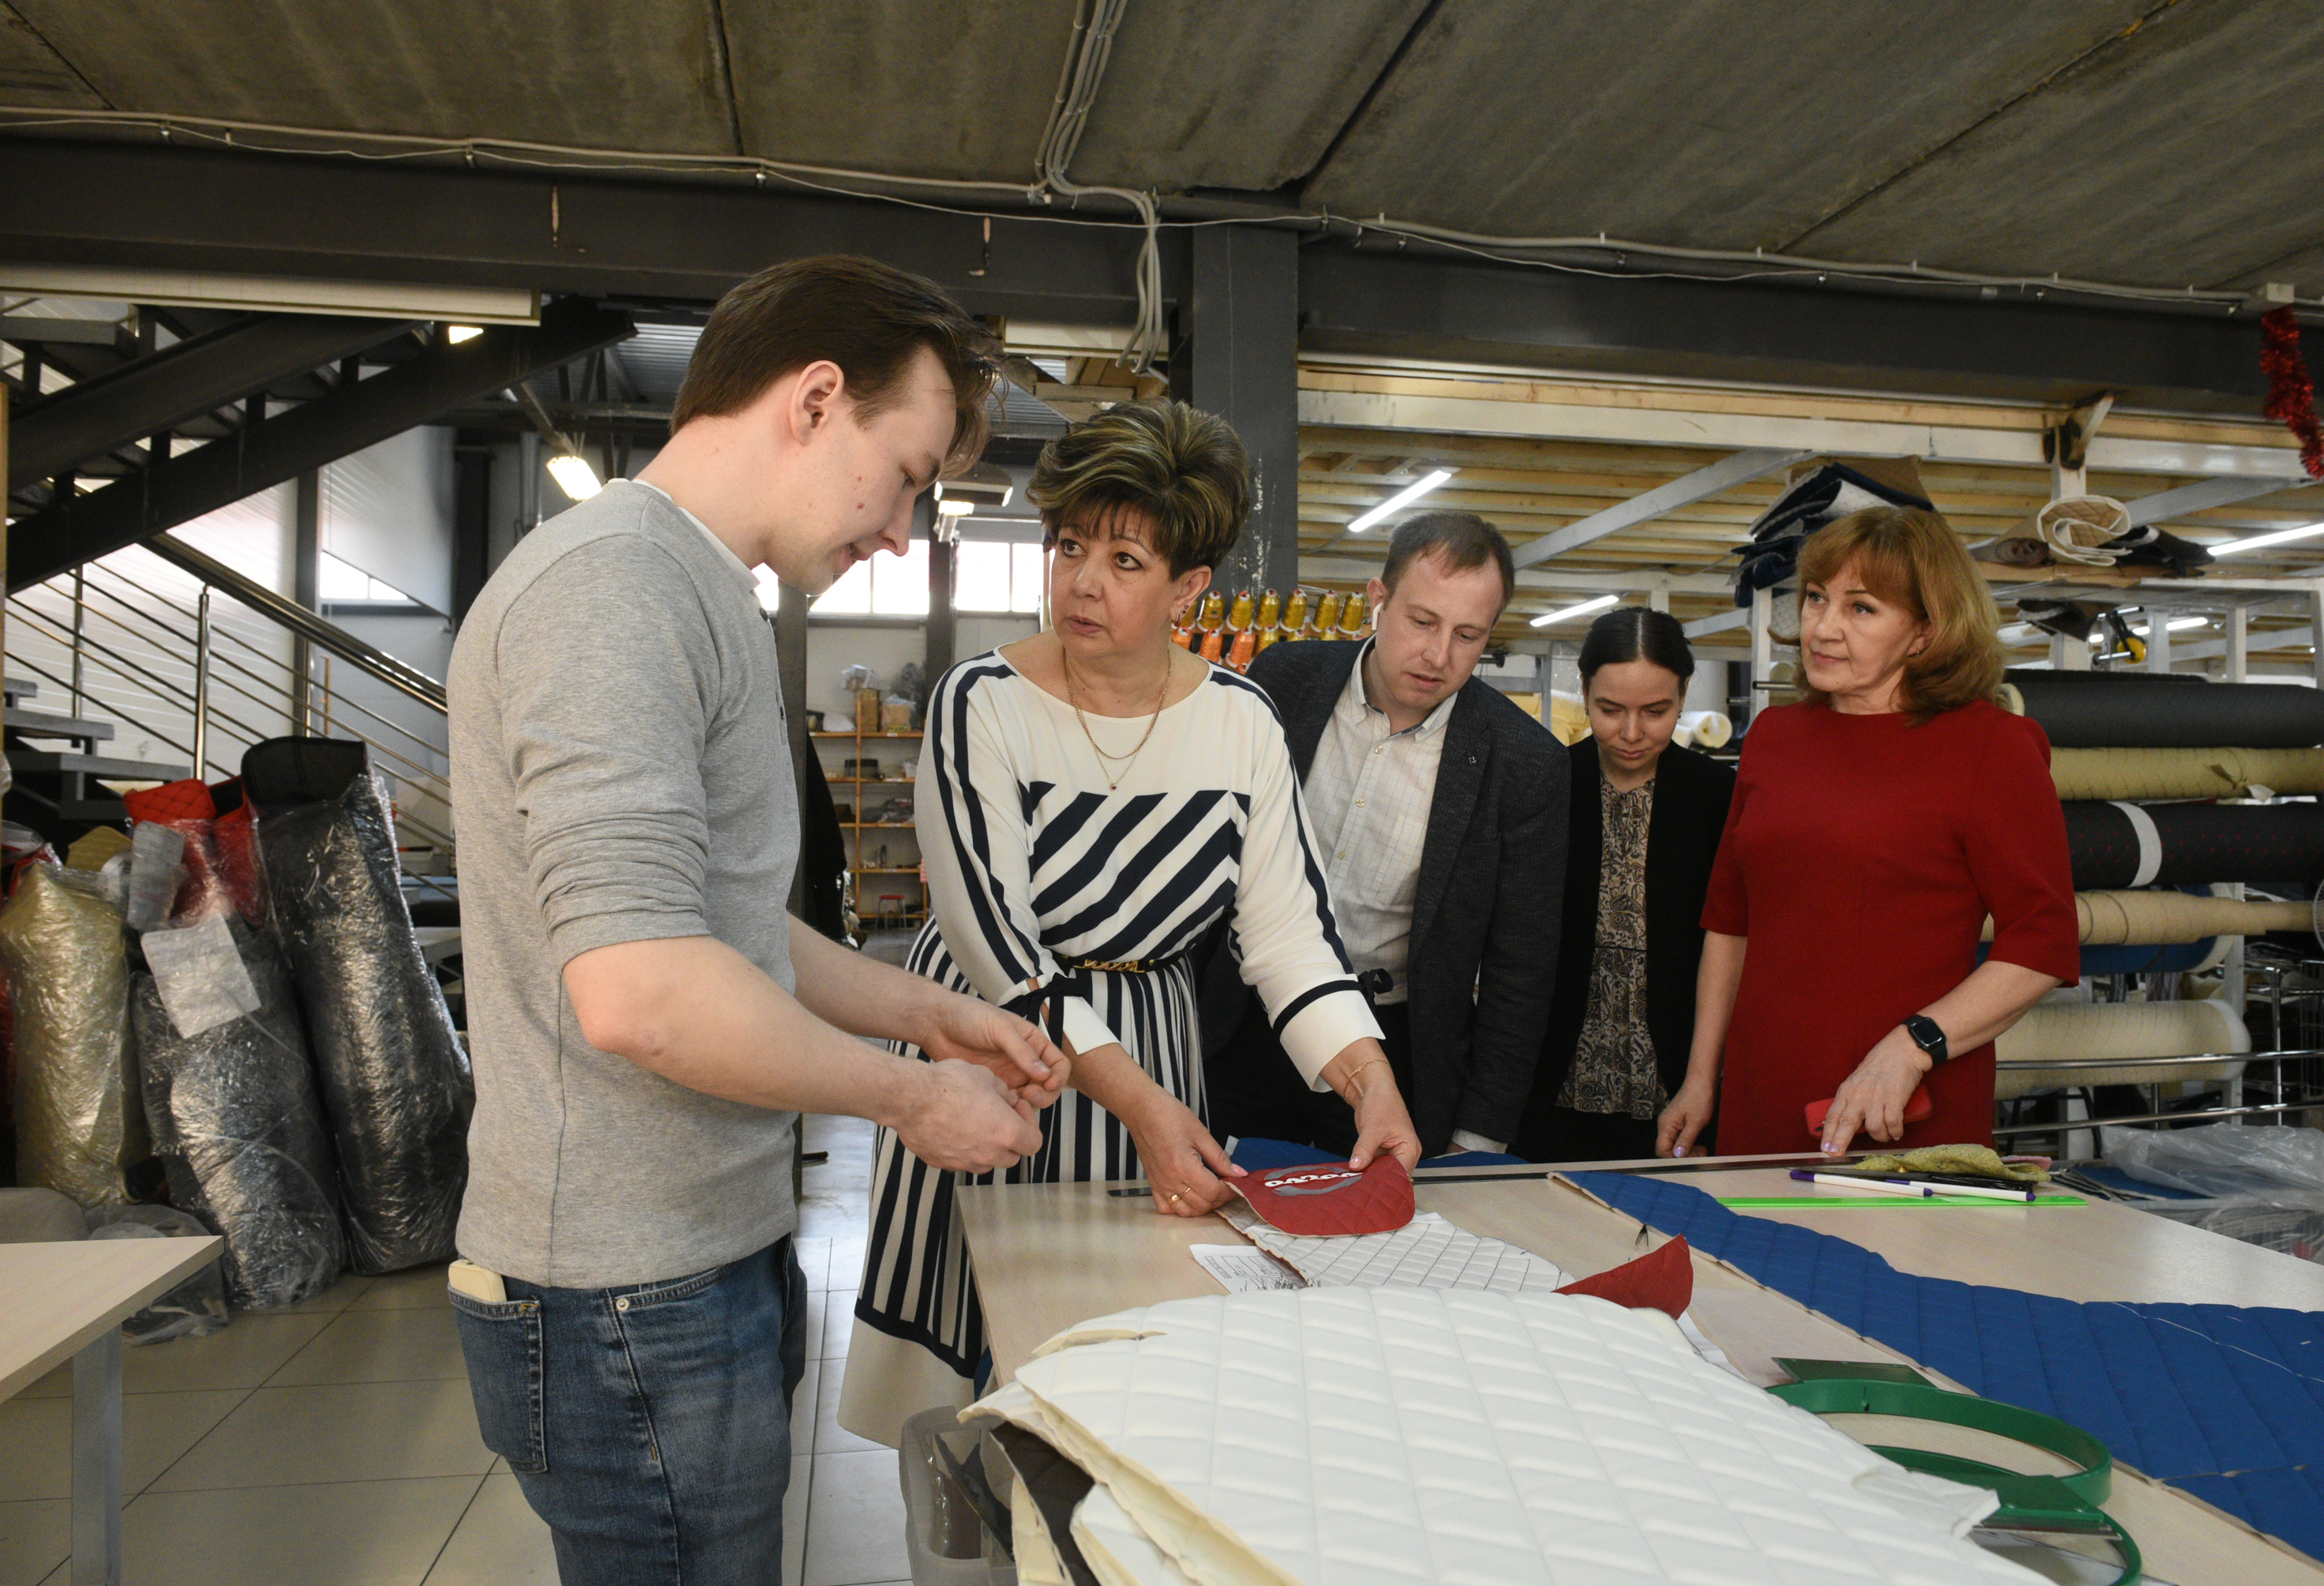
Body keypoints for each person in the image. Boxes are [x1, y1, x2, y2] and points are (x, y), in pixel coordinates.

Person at [446, 255, 1064, 1585]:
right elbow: (643, 990)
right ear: (815, 399)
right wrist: (910, 1101)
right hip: (627, 1291)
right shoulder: (613, 589)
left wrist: (930, 1014)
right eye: (904, 476)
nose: (900, 532)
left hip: (692, 1260)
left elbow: (726, 928)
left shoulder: (696, 586)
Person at [842, 400, 1421, 1445]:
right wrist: (1142, 1106)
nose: (1081, 582)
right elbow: (996, 941)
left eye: (1123, 560)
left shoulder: (1240, 721)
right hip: (991, 1043)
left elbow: (1288, 937)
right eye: (1069, 546)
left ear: (1188, 587)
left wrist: (1368, 1080)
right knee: (971, 1370)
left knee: (1125, 1365)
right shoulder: (980, 702)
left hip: (1151, 1044)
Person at [1659, 505, 2078, 1160]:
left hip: (1899, 1106)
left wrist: (1914, 1046)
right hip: (1761, 1092)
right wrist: (1700, 1078)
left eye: (1861, 608)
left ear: (1924, 632)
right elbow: (1730, 923)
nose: (1822, 628)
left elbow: (2042, 944)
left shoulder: (1992, 747)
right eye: (1816, 598)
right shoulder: (1774, 738)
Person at [1201, 511, 1568, 1159]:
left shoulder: (1525, 762)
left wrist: (1478, 1135)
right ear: (1378, 599)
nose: (1439, 655)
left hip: (1393, 1047)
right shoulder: (1284, 681)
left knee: (1372, 1215)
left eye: (1468, 635)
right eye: (1422, 622)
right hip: (1243, 1022)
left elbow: (1521, 969)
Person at [1512, 607, 1734, 1163]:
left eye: (1656, 712)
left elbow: (1729, 943)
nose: (1632, 734)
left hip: (1678, 1083)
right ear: (1585, 691)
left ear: (1683, 696)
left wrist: (1705, 1079)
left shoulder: (1717, 796)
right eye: (1610, 710)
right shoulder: (1547, 783)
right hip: (1551, 1078)